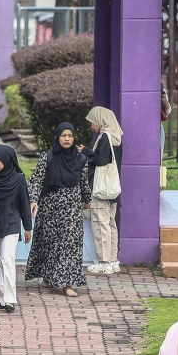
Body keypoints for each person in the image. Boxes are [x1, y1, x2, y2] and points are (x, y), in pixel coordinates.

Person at [25, 122, 90, 297]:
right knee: (50, 244)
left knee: (70, 245)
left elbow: (83, 182)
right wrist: (33, 200)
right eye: (63, 135)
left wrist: (87, 200)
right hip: (50, 209)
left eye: (70, 135)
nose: (67, 139)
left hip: (71, 209)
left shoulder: (81, 159)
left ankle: (67, 284)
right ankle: (48, 275)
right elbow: (37, 179)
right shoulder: (48, 156)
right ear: (58, 136)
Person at [0, 145, 32, 313]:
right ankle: (2, 298)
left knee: (7, 258)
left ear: (7, 160)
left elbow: (24, 204)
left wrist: (27, 227)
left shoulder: (19, 178)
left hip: (10, 224)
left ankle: (10, 299)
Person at [81, 107, 123, 275]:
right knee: (111, 223)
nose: (91, 125)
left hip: (101, 188)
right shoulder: (116, 136)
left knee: (100, 223)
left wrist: (85, 151)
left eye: (93, 121)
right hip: (112, 187)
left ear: (100, 119)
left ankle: (104, 261)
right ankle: (113, 260)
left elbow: (100, 160)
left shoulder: (105, 136)